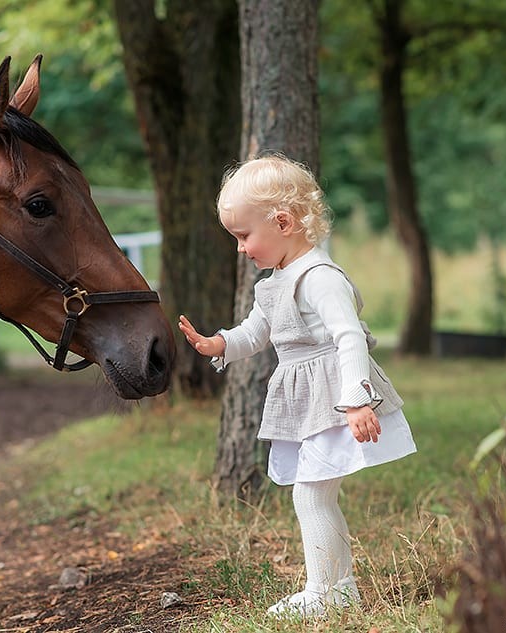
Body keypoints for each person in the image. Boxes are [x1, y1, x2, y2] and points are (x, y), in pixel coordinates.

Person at [178, 153, 417, 618]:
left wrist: (356, 401)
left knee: (310, 493)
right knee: (312, 493)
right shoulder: (273, 282)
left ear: (283, 222)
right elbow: (256, 332)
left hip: (334, 397)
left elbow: (350, 339)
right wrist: (219, 344)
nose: (241, 248)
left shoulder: (320, 279)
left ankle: (327, 592)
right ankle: (335, 589)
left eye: (244, 236)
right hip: (309, 400)